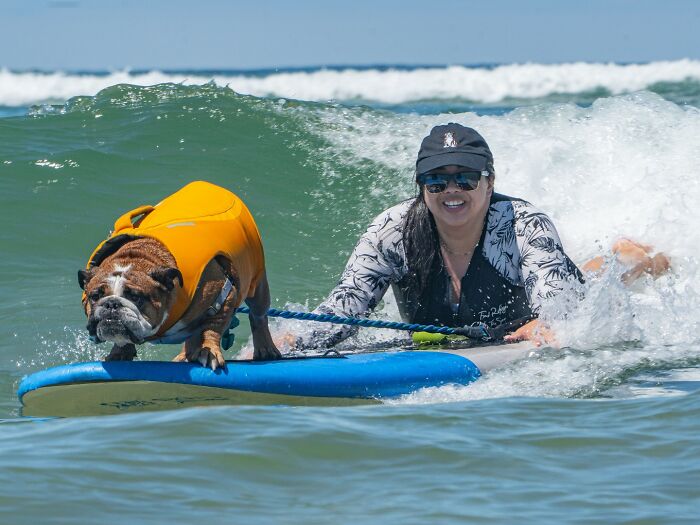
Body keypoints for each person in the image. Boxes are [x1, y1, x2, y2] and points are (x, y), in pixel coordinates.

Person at [289, 123, 669, 349]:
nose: (451, 190)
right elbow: (343, 309)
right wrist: (290, 340)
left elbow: (563, 310)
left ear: (490, 183)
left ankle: (631, 258)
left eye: (465, 178)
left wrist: (548, 324)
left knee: (595, 282)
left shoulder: (522, 225)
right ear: (421, 186)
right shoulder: (392, 231)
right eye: (436, 180)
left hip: (529, 310)